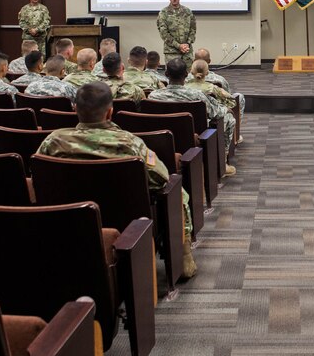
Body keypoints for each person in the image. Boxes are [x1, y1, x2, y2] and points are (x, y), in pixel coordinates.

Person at [35, 81, 196, 279]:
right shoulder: (130, 143)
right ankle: (184, 255)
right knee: (177, 190)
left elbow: (39, 177)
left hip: (68, 219)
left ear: (74, 109)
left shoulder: (53, 141)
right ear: (110, 112)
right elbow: (160, 178)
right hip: (128, 221)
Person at [150, 58, 236, 172]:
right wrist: (226, 109)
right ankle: (222, 164)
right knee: (229, 118)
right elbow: (215, 112)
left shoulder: (152, 96)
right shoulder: (196, 96)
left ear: (166, 74)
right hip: (193, 135)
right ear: (186, 74)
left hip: (161, 137)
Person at [189, 48, 245, 130]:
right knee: (239, 97)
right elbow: (228, 100)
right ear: (209, 61)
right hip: (213, 116)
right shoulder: (219, 80)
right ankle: (236, 134)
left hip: (189, 118)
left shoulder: (184, 79)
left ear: (194, 61)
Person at [157, 0, 196, 71]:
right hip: (172, 52)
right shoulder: (163, 13)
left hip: (187, 52)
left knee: (188, 77)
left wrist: (187, 44)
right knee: (172, 78)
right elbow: (164, 33)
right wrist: (179, 46)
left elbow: (193, 30)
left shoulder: (187, 12)